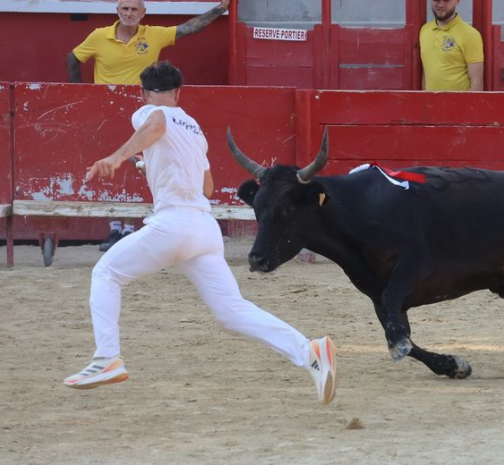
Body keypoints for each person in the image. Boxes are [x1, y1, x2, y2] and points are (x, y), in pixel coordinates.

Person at [63, 62, 337, 406]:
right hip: (204, 231)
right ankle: (309, 350)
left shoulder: (151, 112)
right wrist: (147, 162)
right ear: (179, 91)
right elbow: (205, 185)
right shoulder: (193, 129)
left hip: (173, 225)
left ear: (145, 92)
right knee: (231, 311)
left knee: (105, 273)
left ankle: (107, 359)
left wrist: (118, 157)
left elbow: (157, 122)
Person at [67, 0, 231, 251]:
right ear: (117, 11)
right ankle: (115, 226)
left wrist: (220, 9)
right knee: (126, 165)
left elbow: (187, 28)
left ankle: (132, 226)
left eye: (134, 9)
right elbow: (73, 58)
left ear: (143, 13)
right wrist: (81, 92)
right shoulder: (99, 36)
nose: (129, 13)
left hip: (146, 109)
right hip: (106, 110)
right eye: (124, 9)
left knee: (140, 163)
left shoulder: (153, 34)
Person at [419, 0, 484, 91]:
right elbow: (425, 76)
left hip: (459, 104)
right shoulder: (424, 30)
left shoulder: (470, 34)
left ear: (457, 1)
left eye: (446, 0)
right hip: (431, 103)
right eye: (436, 0)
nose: (441, 4)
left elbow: (477, 82)